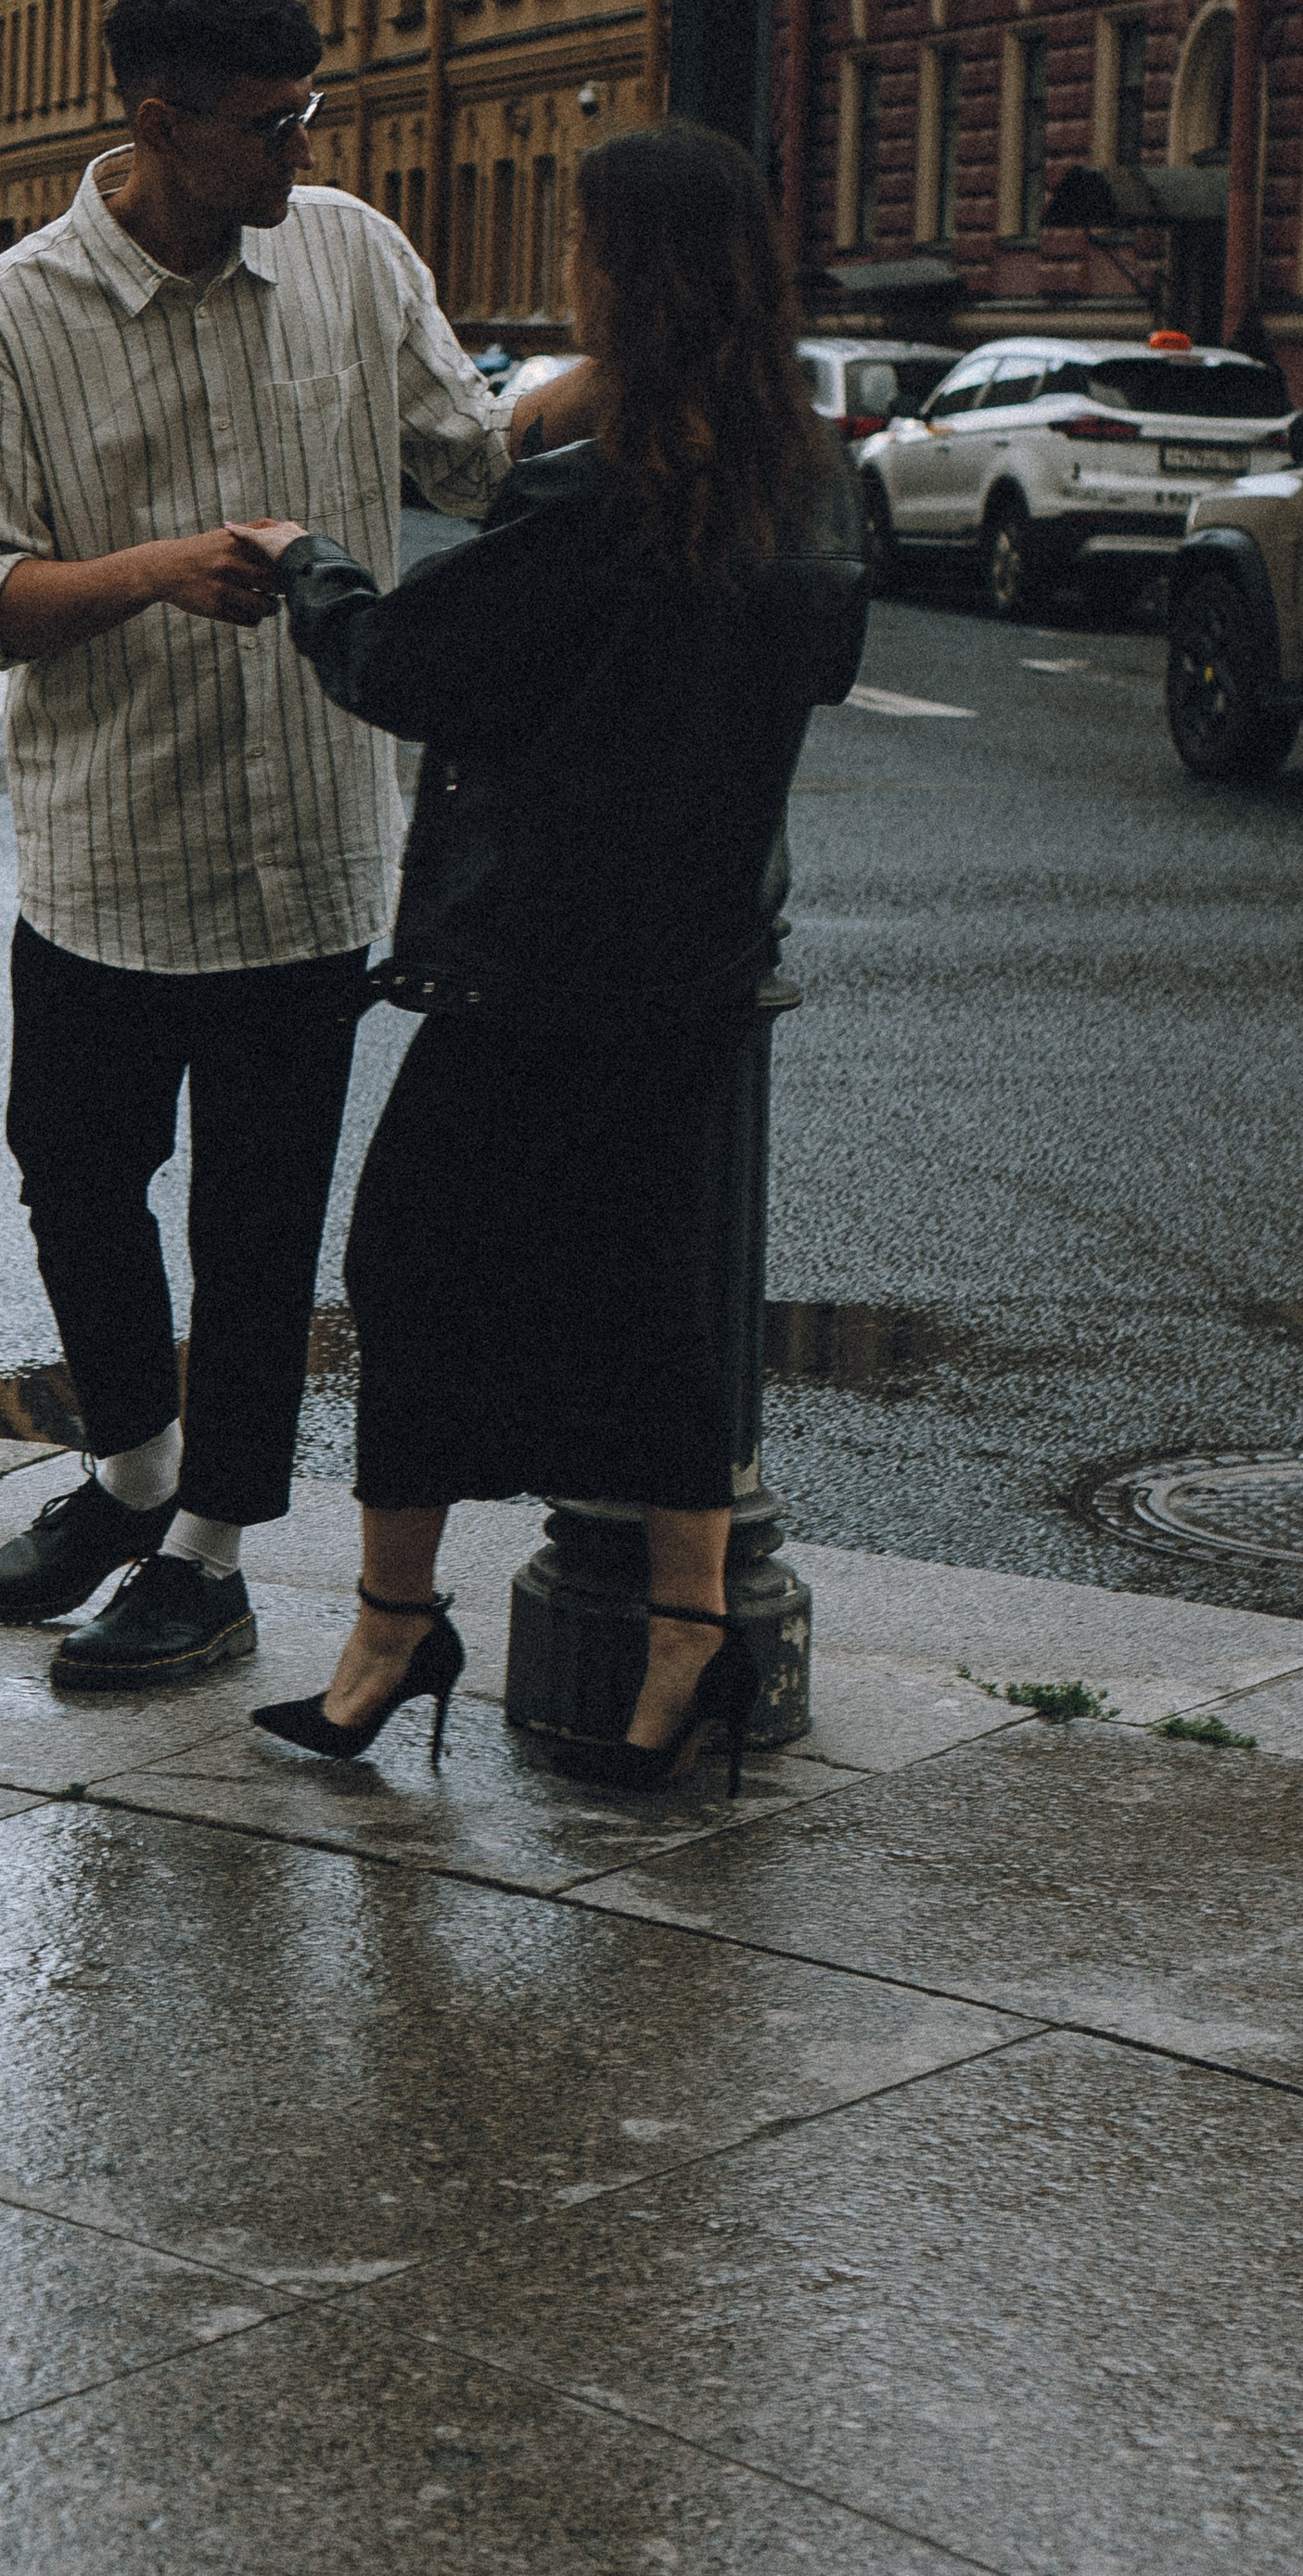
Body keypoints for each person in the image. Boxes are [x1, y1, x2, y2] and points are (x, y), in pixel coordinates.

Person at [0, 0, 594, 1688]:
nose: (303, 149)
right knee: (73, 1177)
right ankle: (133, 1477)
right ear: (159, 124)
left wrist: (642, 370)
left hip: (307, 848)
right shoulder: (11, 317)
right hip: (104, 851)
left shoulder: (357, 258)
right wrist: (158, 570)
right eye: (270, 122)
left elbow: (468, 462)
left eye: (315, 113)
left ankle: (211, 1554)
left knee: (260, 1229)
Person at [230, 122, 866, 1791]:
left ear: (620, 278)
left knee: (414, 1270)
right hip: (703, 968)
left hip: (537, 970)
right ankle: (690, 1650)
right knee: (662, 1316)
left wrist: (305, 564)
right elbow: (820, 663)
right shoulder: (801, 479)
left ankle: (392, 1627)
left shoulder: (593, 497)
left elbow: (405, 662)